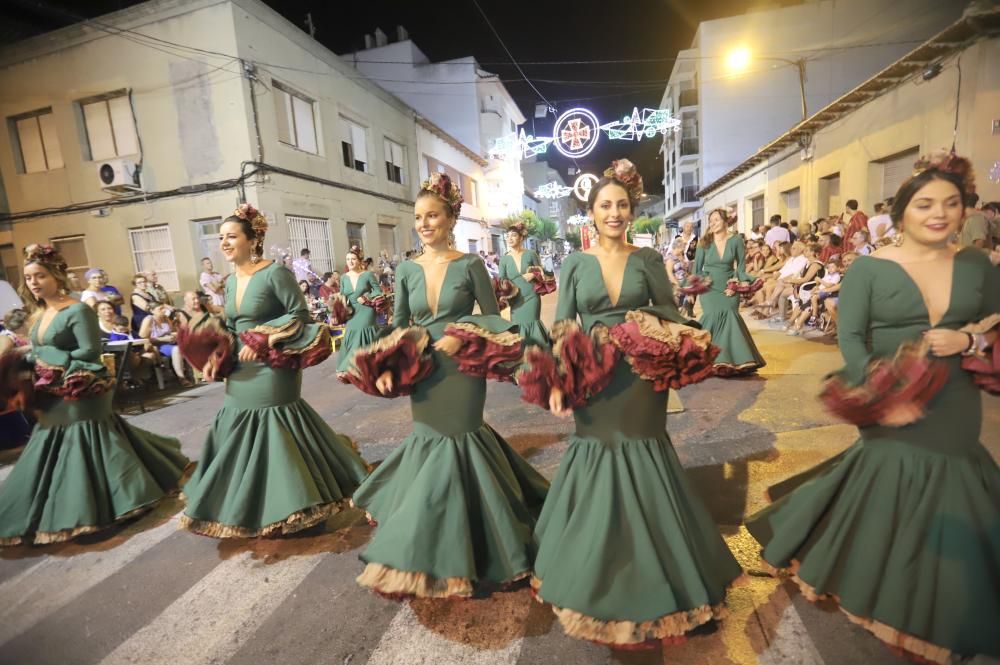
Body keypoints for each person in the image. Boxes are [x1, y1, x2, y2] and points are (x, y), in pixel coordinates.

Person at [746, 155, 1000, 663]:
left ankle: (947, 601)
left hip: (955, 400)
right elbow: (852, 339)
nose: (939, 213)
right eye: (925, 203)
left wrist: (969, 339)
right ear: (902, 211)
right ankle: (896, 596)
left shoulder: (976, 264)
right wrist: (885, 395)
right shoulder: (868, 268)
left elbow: (993, 327)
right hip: (891, 399)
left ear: (965, 210)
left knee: (956, 485)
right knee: (891, 489)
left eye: (952, 203)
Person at [524, 160, 740, 647]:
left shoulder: (646, 260)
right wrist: (561, 379)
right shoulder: (575, 264)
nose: (615, 213)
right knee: (598, 454)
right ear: (591, 212)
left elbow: (667, 309)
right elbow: (565, 326)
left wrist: (651, 327)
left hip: (643, 374)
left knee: (645, 454)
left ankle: (673, 578)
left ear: (632, 209)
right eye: (606, 205)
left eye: (622, 205)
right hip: (594, 377)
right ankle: (596, 572)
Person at [346, 172, 548, 599]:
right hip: (425, 371)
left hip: (462, 369)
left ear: (450, 218)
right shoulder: (405, 269)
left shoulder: (470, 264)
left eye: (432, 215)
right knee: (429, 439)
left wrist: (462, 332)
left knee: (462, 436)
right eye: (418, 216)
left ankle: (482, 541)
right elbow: (399, 324)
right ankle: (430, 539)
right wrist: (388, 362)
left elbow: (495, 320)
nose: (423, 223)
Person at [180, 204, 368, 538]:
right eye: (221, 237)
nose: (224, 243)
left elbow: (300, 315)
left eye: (231, 236)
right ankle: (252, 506)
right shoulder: (229, 281)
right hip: (241, 367)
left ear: (252, 240)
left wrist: (264, 337)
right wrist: (211, 352)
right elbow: (232, 323)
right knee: (238, 425)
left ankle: (296, 501)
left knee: (274, 425)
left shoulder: (275, 273)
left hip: (273, 364)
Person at [0, 244, 190, 546]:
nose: (34, 282)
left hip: (81, 386)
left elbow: (90, 351)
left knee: (83, 444)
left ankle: (102, 506)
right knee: (53, 445)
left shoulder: (77, 310)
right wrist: (24, 358)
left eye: (40, 275)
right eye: (29, 277)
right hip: (50, 389)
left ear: (57, 276)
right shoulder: (39, 313)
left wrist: (46, 356)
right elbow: (36, 351)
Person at [693, 208, 766, 375]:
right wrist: (703, 282)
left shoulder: (736, 240)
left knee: (730, 316)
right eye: (711, 221)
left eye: (716, 220)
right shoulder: (704, 242)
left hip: (728, 286)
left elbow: (740, 268)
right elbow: (696, 270)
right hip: (710, 289)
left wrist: (735, 285)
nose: (712, 223)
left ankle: (730, 362)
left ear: (726, 221)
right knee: (711, 317)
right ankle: (705, 361)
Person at [498, 220, 551, 350]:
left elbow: (543, 272)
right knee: (518, 325)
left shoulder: (530, 254)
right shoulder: (504, 259)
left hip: (531, 296)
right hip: (515, 299)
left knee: (532, 322)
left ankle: (539, 354)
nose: (510, 238)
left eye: (514, 235)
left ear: (521, 238)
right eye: (508, 236)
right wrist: (505, 292)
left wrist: (534, 274)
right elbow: (501, 279)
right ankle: (523, 357)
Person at [335, 246, 382, 377]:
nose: (350, 262)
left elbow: (378, 290)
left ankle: (351, 366)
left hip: (366, 309)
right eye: (348, 259)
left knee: (363, 330)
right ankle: (361, 365)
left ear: (359, 261)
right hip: (352, 311)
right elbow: (343, 294)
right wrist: (338, 302)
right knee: (352, 333)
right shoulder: (343, 277)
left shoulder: (367, 275)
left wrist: (368, 298)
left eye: (353, 259)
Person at [139, 303, 193, 388]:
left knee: (188, 344)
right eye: (160, 309)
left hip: (169, 344)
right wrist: (163, 339)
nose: (163, 311)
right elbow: (143, 337)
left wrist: (174, 335)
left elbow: (171, 331)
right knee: (176, 349)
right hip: (157, 346)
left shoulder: (166, 319)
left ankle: (197, 373)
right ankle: (181, 378)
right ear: (152, 311)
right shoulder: (149, 320)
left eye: (163, 308)